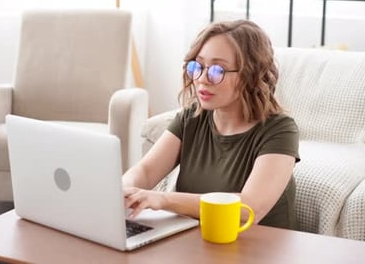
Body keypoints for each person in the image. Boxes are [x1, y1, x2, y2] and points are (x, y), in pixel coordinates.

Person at [122, 20, 300, 230]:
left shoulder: (280, 130)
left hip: (259, 248)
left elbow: (248, 208)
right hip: (198, 240)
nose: (202, 79)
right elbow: (146, 171)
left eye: (217, 70)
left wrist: (163, 200)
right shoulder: (191, 118)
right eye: (198, 66)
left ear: (250, 75)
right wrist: (124, 189)